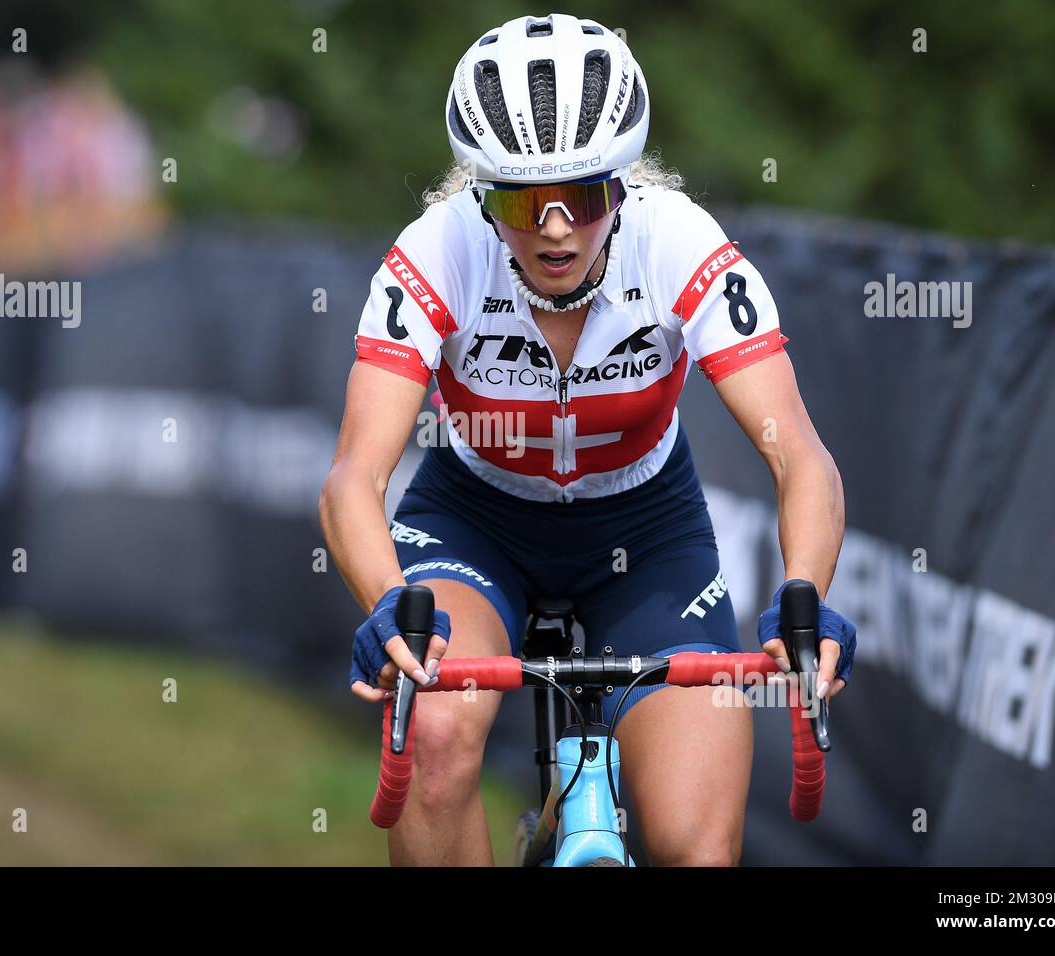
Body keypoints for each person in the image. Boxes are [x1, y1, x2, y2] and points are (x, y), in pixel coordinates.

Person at [319, 13, 856, 866]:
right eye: (526, 201)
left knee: (696, 847)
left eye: (589, 194)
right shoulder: (437, 249)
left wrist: (804, 594)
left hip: (646, 533)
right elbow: (354, 478)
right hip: (473, 521)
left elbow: (798, 452)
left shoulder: (678, 242)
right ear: (482, 193)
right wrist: (390, 601)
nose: (558, 227)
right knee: (438, 738)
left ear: (625, 182)